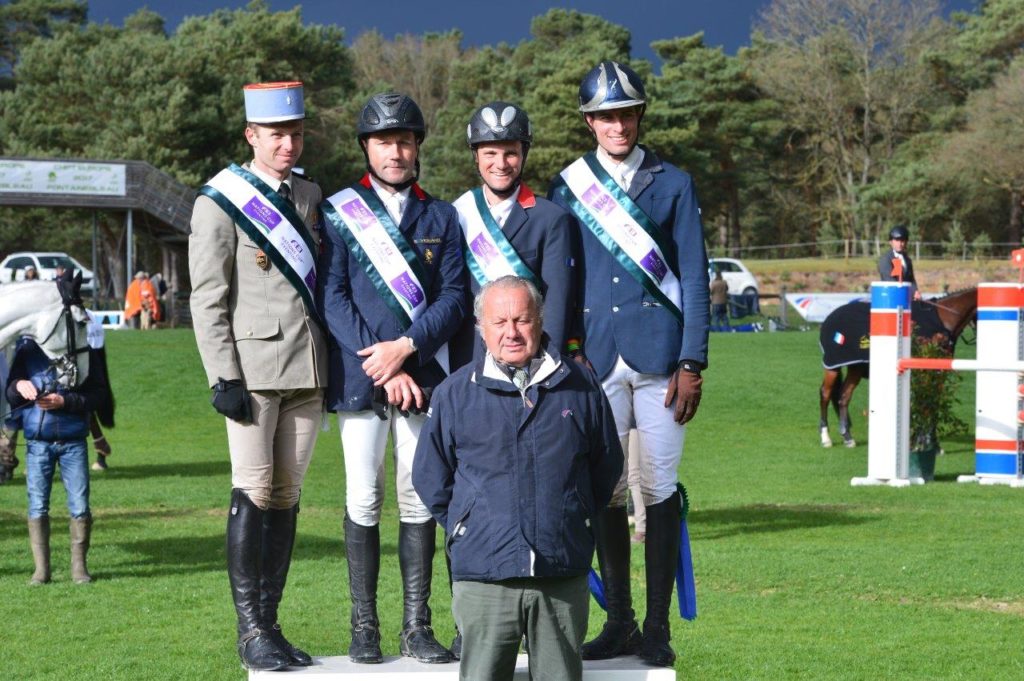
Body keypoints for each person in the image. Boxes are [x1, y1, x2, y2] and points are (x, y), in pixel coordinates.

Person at [549, 60, 710, 667]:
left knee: (660, 488)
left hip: (664, 360)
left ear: (639, 115)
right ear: (590, 121)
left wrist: (693, 359)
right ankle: (617, 620)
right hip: (595, 361)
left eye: (626, 113)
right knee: (607, 493)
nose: (617, 124)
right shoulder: (569, 187)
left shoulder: (674, 182)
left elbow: (694, 276)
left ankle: (658, 626)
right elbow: (565, 279)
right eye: (605, 115)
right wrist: (568, 354)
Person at [318, 92, 467, 665]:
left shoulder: (442, 216)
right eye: (385, 141)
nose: (396, 151)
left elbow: (455, 296)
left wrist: (404, 350)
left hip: (421, 377)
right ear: (367, 148)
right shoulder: (339, 213)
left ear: (418, 147)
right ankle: (364, 627)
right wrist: (379, 364)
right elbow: (330, 295)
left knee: (417, 498)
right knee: (363, 496)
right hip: (362, 379)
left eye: (405, 141)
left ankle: (416, 625)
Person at [412, 276, 623, 681]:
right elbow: (431, 478)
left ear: (540, 322)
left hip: (561, 573)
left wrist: (569, 514)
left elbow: (605, 465)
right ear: (481, 329)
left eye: (522, 320)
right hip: (484, 578)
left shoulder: (581, 387)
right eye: (499, 322)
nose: (511, 332)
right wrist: (469, 525)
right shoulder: (455, 393)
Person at [189, 81, 327, 672]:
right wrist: (223, 373)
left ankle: (271, 624)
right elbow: (207, 297)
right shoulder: (219, 201)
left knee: (288, 500)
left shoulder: (311, 194)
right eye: (276, 134)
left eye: (295, 133)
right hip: (252, 373)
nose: (288, 143)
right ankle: (250, 630)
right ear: (252, 136)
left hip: (308, 369)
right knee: (253, 493)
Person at [450, 101, 580, 370]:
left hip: (530, 359)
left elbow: (557, 302)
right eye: (490, 153)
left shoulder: (552, 219)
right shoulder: (457, 214)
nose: (500, 163)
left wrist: (544, 364)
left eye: (510, 153)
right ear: (476, 156)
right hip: (468, 359)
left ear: (524, 155)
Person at [6, 325, 107, 585]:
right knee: (37, 505)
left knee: (80, 505)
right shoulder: (27, 350)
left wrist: (66, 402)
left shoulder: (83, 350)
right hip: (38, 443)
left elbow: (98, 395)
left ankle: (79, 569)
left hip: (74, 442)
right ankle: (41, 570)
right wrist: (20, 385)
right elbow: (10, 393)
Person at [878, 224, 921, 300]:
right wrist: (909, 293)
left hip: (906, 298)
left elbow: (911, 279)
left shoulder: (907, 260)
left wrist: (915, 291)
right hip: (891, 299)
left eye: (902, 241)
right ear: (890, 242)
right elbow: (890, 281)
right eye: (897, 240)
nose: (900, 244)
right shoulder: (885, 259)